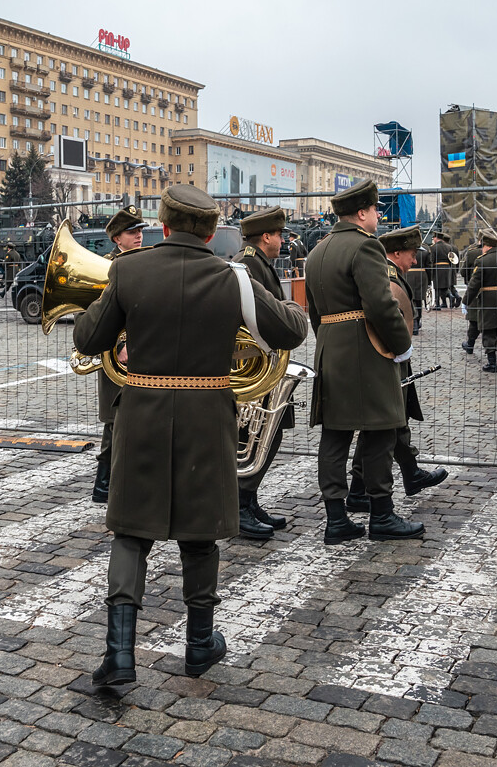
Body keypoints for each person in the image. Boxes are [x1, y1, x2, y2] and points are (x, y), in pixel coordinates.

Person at [74, 185, 307, 686]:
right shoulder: (233, 277)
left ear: (163, 223)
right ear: (209, 231)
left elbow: (87, 339)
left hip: (140, 413)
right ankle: (201, 644)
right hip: (206, 415)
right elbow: (290, 331)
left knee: (132, 532)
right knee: (200, 533)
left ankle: (119, 655)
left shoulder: (128, 270)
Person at [305, 178, 423, 544]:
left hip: (330, 348)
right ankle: (382, 514)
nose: (377, 216)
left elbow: (314, 313)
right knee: (381, 431)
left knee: (335, 435)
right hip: (367, 351)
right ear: (361, 213)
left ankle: (336, 519)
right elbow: (381, 305)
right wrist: (401, 345)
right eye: (374, 209)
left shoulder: (316, 252)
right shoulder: (365, 247)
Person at [345, 225, 448, 512]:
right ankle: (363, 489)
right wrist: (401, 350)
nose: (414, 261)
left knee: (394, 421)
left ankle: (406, 474)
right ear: (397, 252)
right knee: (383, 425)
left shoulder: (391, 273)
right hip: (386, 357)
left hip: (391, 355)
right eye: (412, 255)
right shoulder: (388, 276)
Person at [236, 205, 297, 539]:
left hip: (266, 365)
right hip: (255, 367)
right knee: (254, 437)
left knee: (270, 435)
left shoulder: (258, 263)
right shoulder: (248, 264)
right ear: (266, 236)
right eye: (279, 234)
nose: (283, 239)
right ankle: (240, 505)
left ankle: (249, 499)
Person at [90, 206, 146, 506]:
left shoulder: (139, 261)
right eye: (131, 232)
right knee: (115, 419)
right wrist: (121, 343)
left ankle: (124, 479)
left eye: (139, 231)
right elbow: (103, 315)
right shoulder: (107, 267)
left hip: (139, 350)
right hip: (117, 354)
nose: (138, 235)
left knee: (135, 416)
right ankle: (103, 483)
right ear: (116, 238)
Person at [462, 232, 497, 372]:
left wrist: (466, 301)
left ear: (487, 246)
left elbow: (474, 284)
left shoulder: (482, 260)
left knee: (488, 330)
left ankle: (492, 363)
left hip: (488, 300)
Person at [457, 236, 482, 354]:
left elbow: (463, 271)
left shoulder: (472, 253)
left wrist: (468, 282)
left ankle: (470, 344)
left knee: (474, 320)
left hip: (476, 291)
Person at [404, 242, 430, 335]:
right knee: (419, 300)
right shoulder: (426, 250)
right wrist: (429, 280)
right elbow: (429, 266)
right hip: (421, 275)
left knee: (412, 300)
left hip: (408, 275)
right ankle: (417, 321)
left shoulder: (406, 249)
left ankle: (414, 322)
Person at [429, 232, 457, 308]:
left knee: (437, 286)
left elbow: (432, 260)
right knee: (445, 286)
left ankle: (437, 304)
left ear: (436, 238)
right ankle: (450, 296)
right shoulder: (449, 247)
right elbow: (451, 259)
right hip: (447, 268)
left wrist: (431, 270)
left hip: (437, 268)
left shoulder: (433, 247)